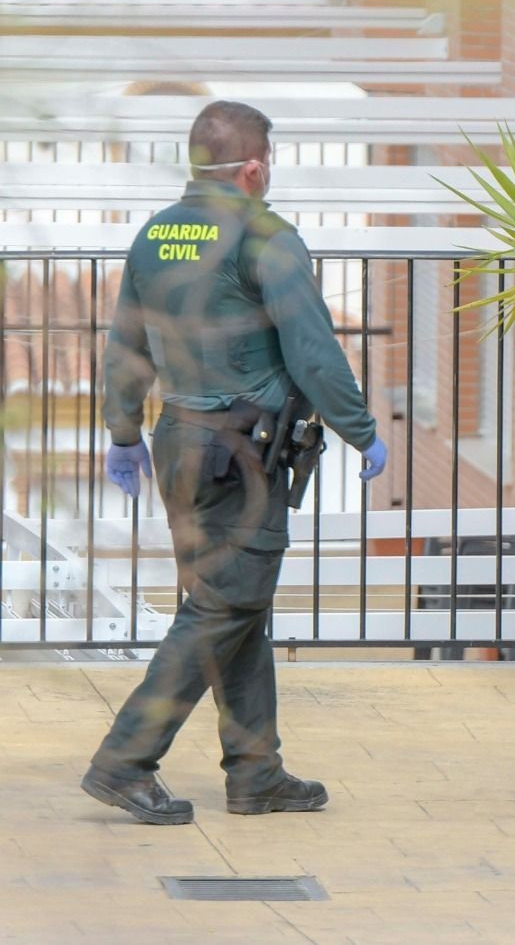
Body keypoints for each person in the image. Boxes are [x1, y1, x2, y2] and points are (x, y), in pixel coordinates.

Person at [82, 101, 389, 825]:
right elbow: (314, 350)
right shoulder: (268, 237)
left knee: (235, 609)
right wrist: (362, 430)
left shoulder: (157, 234)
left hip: (178, 448)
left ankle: (257, 773)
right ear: (253, 168)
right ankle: (125, 762)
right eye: (269, 165)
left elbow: (126, 344)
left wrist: (122, 431)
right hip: (241, 460)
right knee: (221, 608)